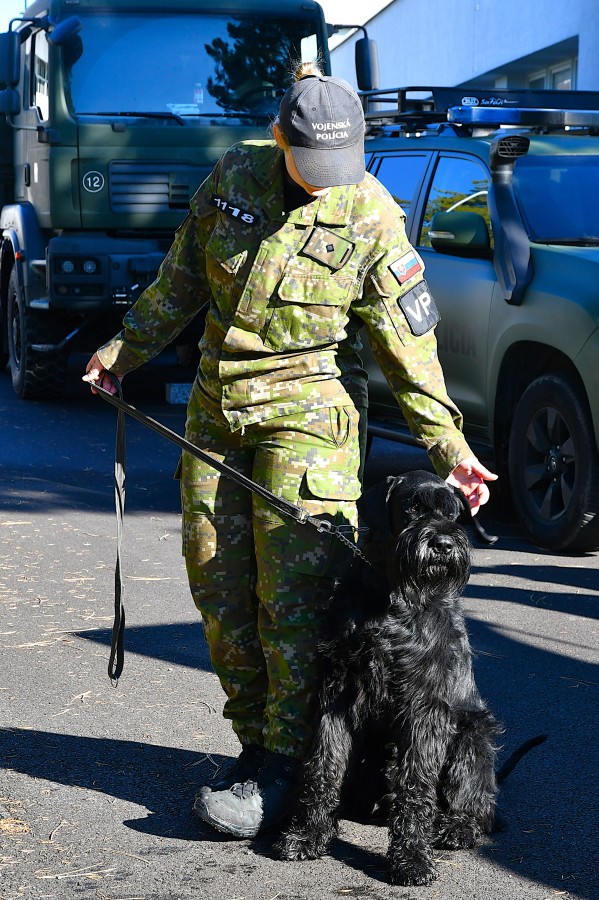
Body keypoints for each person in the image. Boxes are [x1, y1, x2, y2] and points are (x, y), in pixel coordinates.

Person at [83, 64, 496, 840]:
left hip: (310, 415)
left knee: (295, 604)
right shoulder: (234, 176)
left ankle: (286, 767)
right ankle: (256, 746)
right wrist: (123, 351)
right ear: (278, 139)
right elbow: (181, 278)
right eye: (313, 162)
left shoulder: (369, 212)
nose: (328, 178)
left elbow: (407, 344)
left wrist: (449, 445)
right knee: (219, 588)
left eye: (343, 161)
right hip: (216, 408)